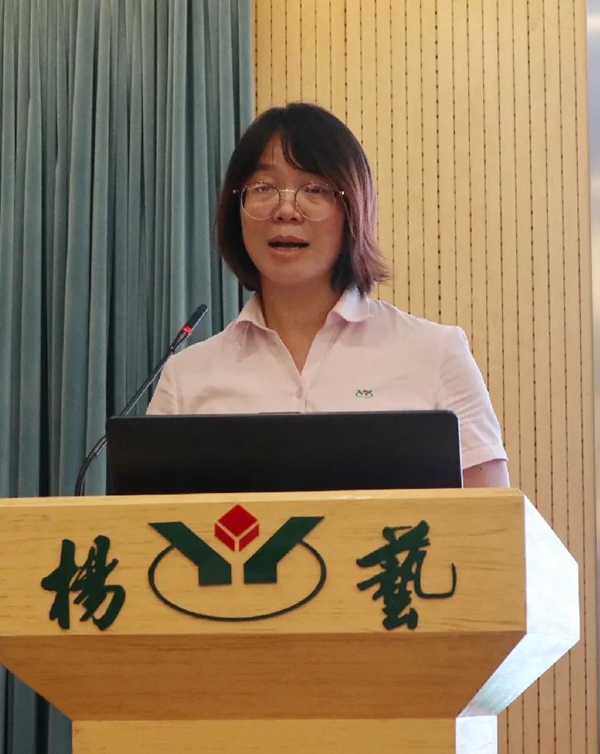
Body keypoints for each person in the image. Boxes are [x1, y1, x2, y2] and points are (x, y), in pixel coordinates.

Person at [148, 102, 509, 487]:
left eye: (315, 189)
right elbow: (146, 521)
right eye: (264, 187)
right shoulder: (186, 379)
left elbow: (490, 516)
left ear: (353, 206)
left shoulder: (434, 354)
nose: (286, 209)